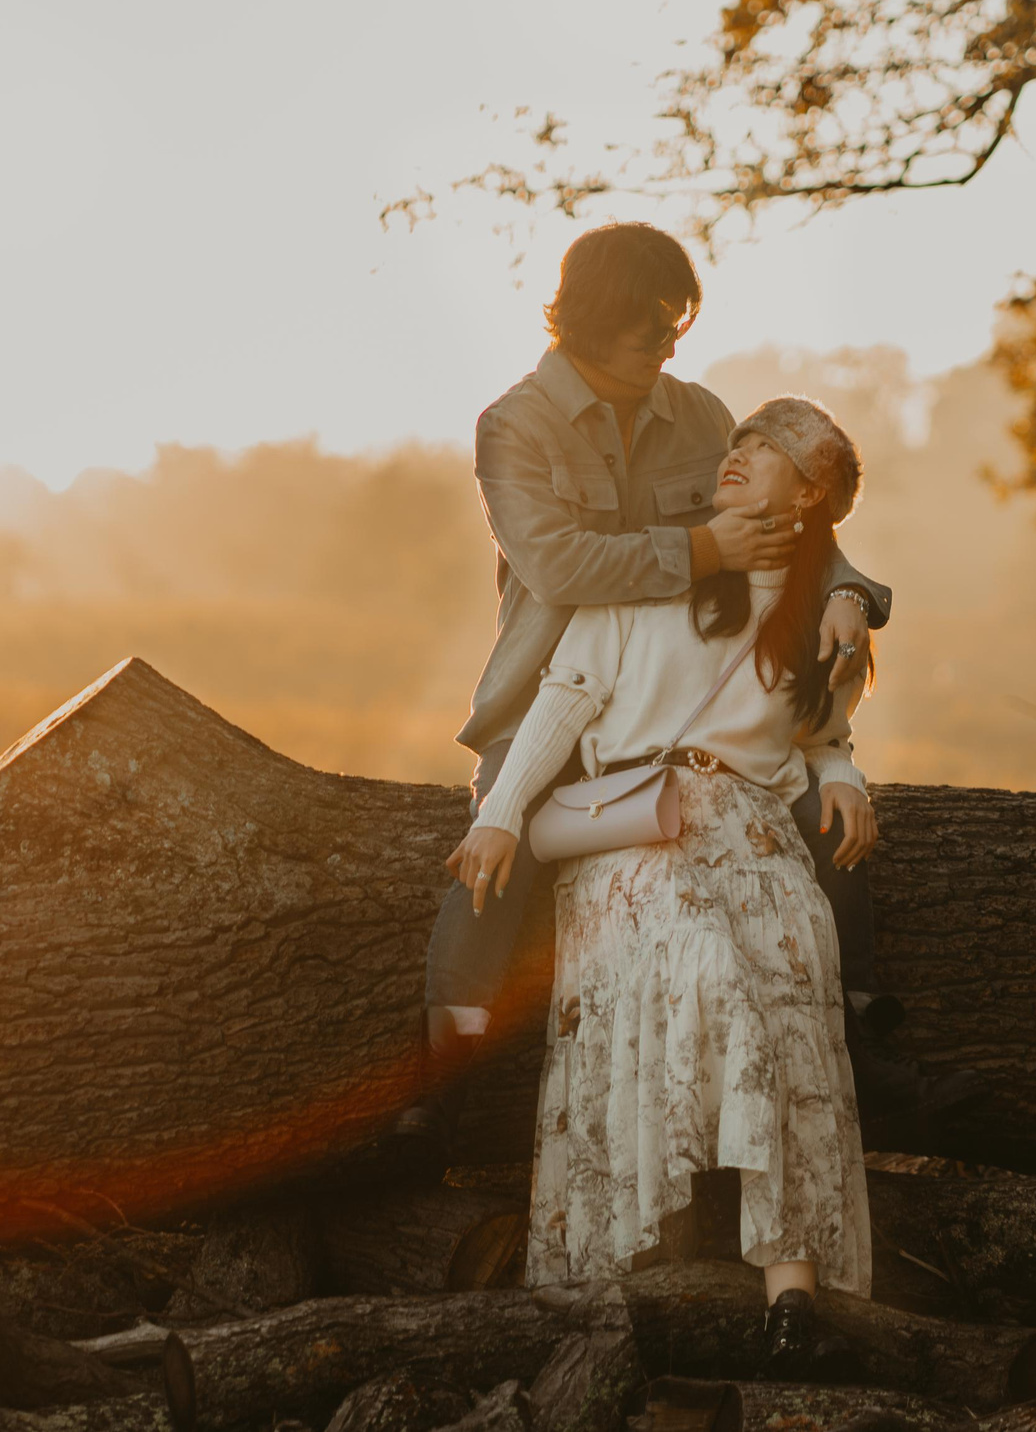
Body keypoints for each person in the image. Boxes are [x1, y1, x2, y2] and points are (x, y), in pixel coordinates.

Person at [396, 222, 969, 1161]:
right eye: (651, 322)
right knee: (498, 848)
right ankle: (438, 1094)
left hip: (689, 691)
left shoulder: (701, 415)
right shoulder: (514, 425)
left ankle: (867, 1056)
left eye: (677, 320)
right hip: (558, 689)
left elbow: (790, 516)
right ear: (593, 316)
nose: (670, 340)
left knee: (825, 822)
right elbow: (557, 562)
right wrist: (704, 550)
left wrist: (847, 593)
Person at [444, 398, 874, 1370]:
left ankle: (791, 1291)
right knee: (706, 963)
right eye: (738, 443)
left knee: (791, 976)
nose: (737, 458)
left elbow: (822, 734)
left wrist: (844, 783)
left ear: (806, 497)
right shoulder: (654, 571)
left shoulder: (819, 614)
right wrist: (501, 813)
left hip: (756, 836)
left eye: (765, 453)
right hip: (637, 831)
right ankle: (630, 1267)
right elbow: (568, 695)